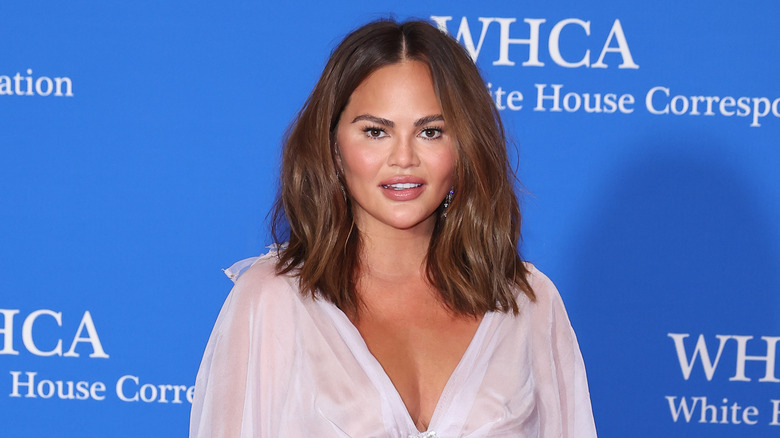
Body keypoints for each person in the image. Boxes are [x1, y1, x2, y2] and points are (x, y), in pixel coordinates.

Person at [190, 19, 597, 438]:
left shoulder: (528, 302)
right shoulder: (272, 300)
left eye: (430, 131)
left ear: (464, 146)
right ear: (333, 145)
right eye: (376, 131)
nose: (404, 158)